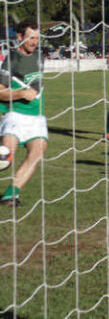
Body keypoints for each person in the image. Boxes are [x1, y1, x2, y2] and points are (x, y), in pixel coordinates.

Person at [0, 22, 47, 207]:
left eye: (37, 38)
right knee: (6, 158)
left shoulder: (40, 57)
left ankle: (10, 196)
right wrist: (21, 94)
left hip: (37, 117)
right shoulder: (11, 59)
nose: (35, 42)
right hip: (14, 115)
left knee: (36, 153)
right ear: (19, 37)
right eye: (30, 38)